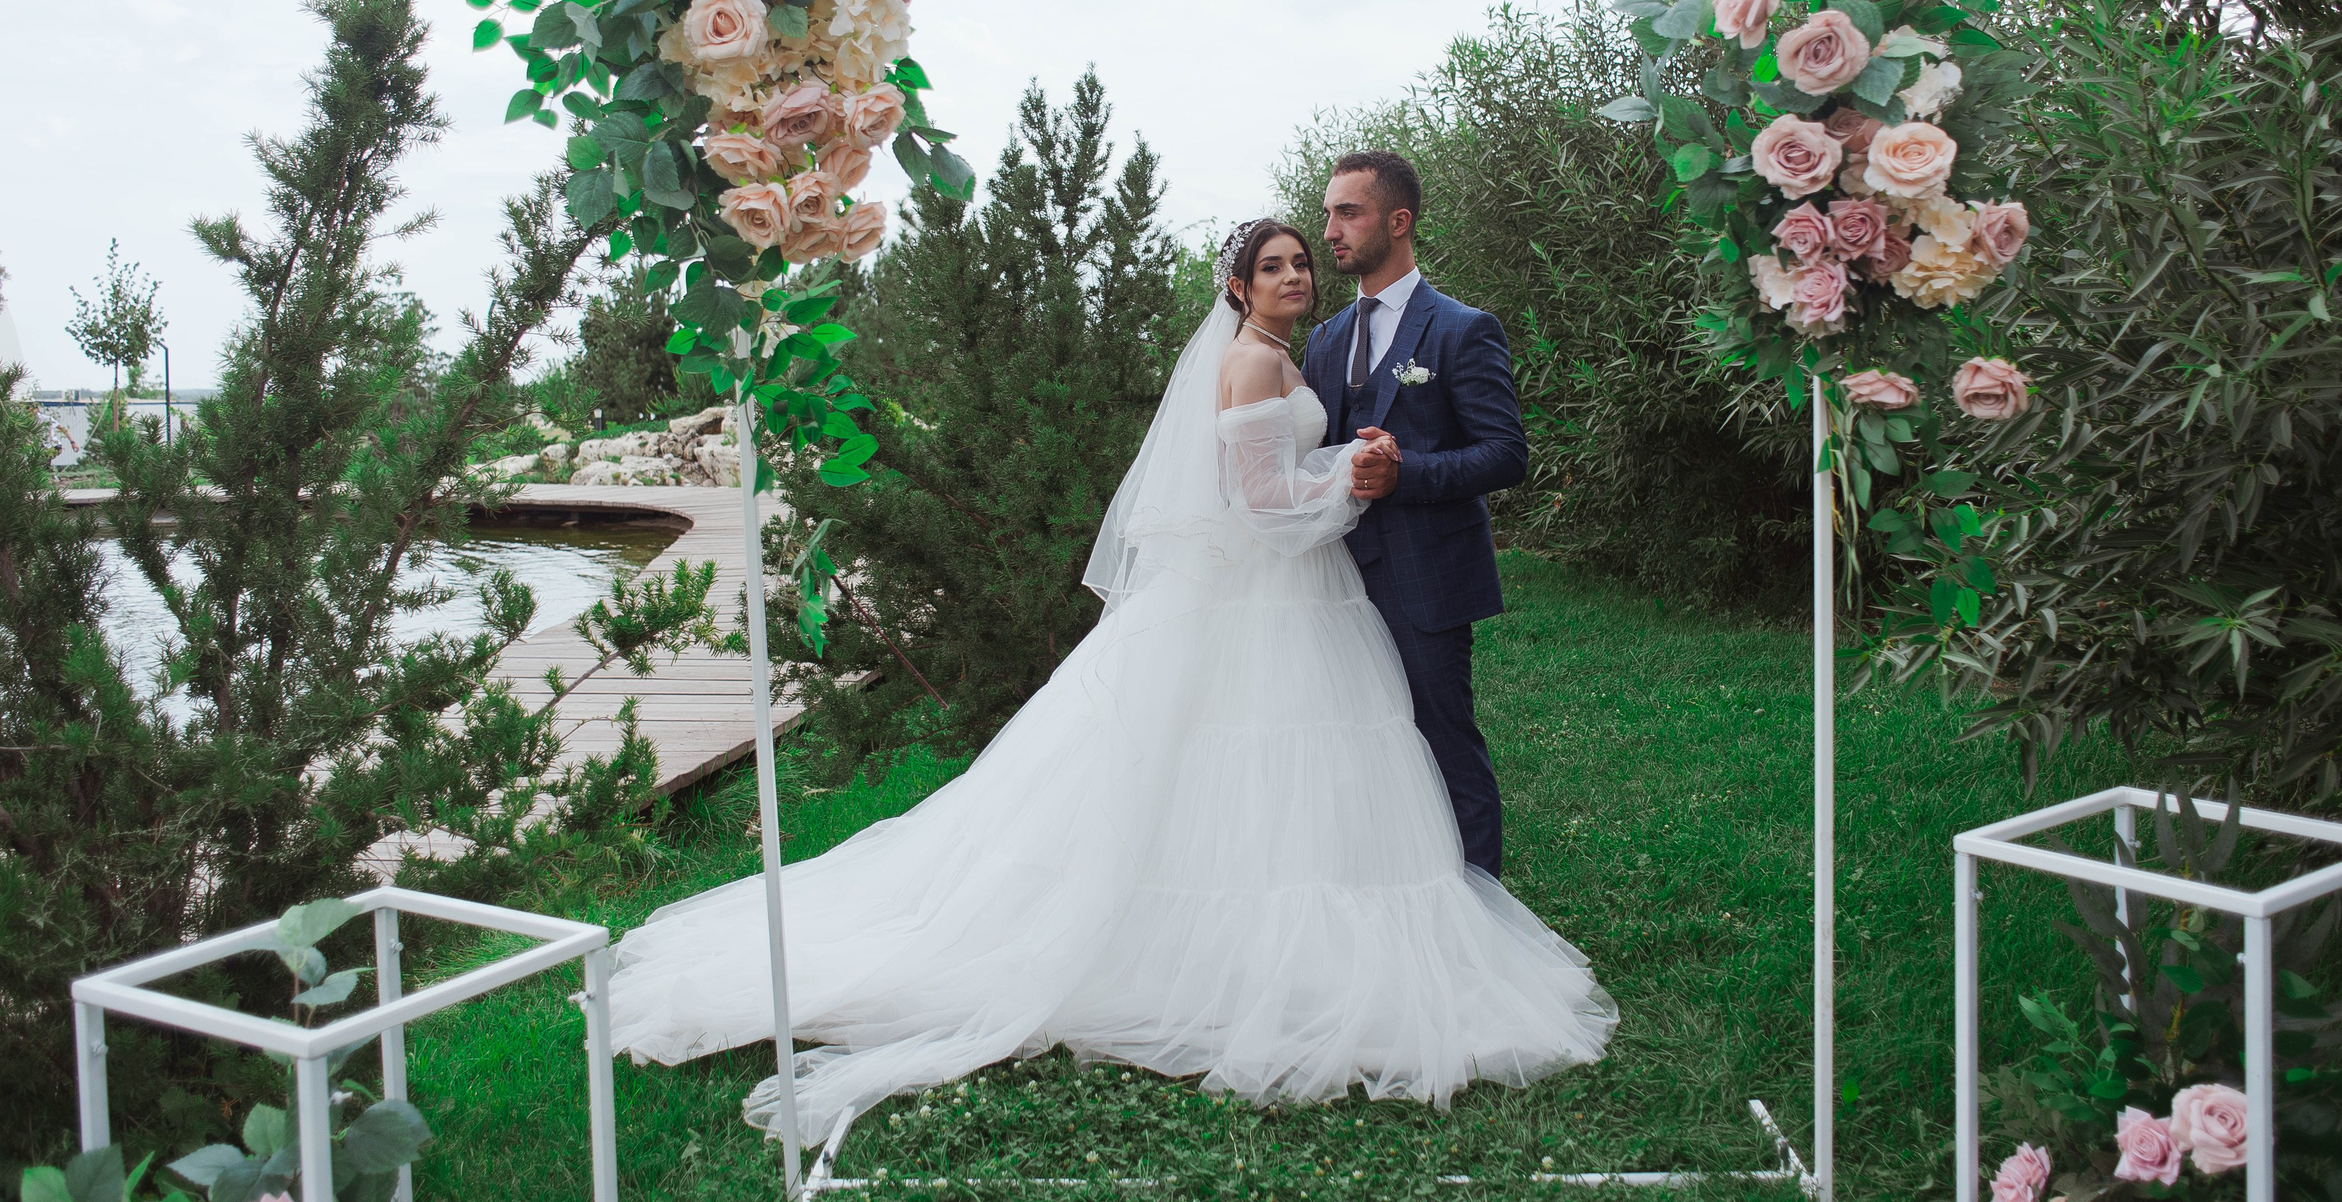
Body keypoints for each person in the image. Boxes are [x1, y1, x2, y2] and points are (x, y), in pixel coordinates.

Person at [605, 218, 1615, 1147]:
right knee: (1248, 756)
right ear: (1236, 283)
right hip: (1270, 592)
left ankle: (1276, 942)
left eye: (1302, 260)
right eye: (1274, 265)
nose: (1296, 273)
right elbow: (1259, 502)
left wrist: (1342, 468)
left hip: (1300, 595)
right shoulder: (1254, 361)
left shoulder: (1282, 353)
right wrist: (1350, 474)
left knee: (1279, 768)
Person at [1304, 150, 1524, 876]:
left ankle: (1482, 917)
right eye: (1330, 211)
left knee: (1442, 741)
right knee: (1356, 746)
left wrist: (1406, 474)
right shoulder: (1327, 338)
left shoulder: (1462, 330)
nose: (1330, 229)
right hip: (1333, 583)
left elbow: (1504, 454)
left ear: (1398, 222)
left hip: (1426, 578)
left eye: (1349, 212)